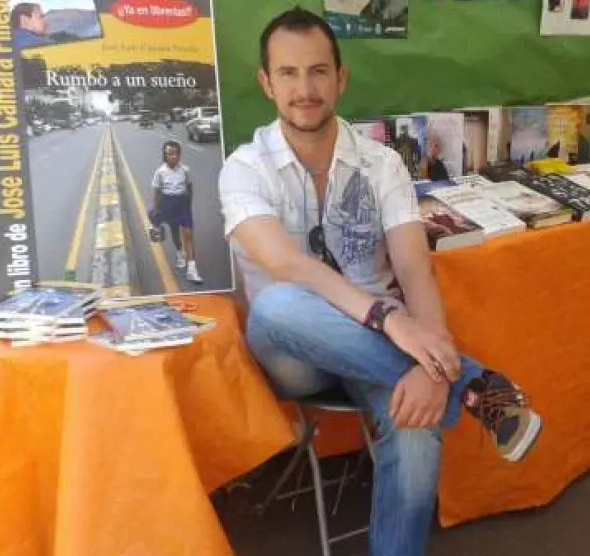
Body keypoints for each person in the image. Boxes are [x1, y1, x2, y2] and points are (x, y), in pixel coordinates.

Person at [218, 7, 543, 556]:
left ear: (341, 78)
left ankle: (448, 384)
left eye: (318, 71)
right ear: (266, 83)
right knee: (277, 304)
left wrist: (428, 360)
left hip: (382, 353)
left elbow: (413, 266)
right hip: (295, 354)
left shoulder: (383, 163)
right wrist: (389, 320)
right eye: (289, 73)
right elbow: (286, 263)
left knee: (416, 424)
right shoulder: (244, 167)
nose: (305, 89)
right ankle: (473, 384)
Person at [148, 140, 203, 284]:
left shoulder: (185, 170)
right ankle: (179, 253)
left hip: (183, 204)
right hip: (168, 203)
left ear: (179, 155)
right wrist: (156, 211)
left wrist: (188, 206)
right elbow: (156, 192)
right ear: (165, 155)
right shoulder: (160, 172)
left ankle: (192, 270)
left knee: (188, 234)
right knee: (175, 232)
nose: (173, 156)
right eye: (169, 154)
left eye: (175, 153)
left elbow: (189, 188)